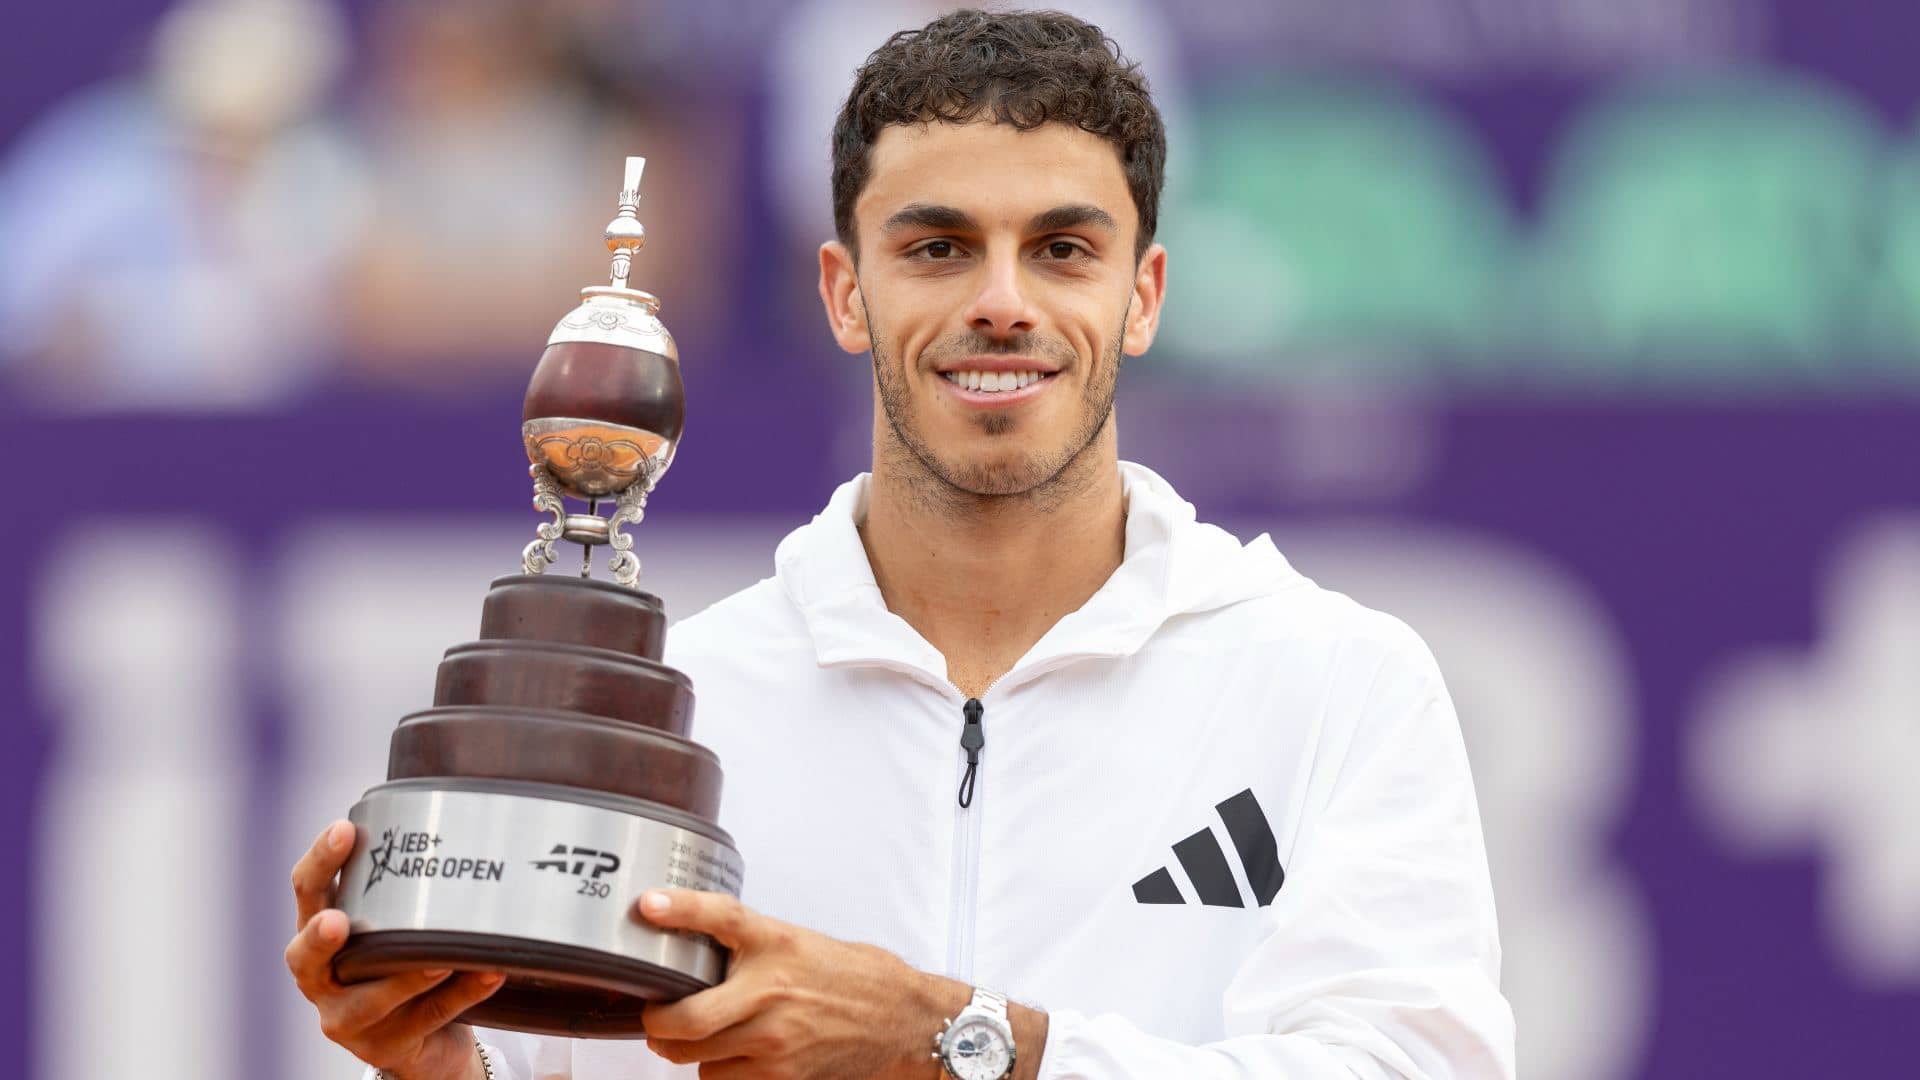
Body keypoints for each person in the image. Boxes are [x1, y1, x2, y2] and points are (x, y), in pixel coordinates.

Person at [285, 10, 1516, 1079]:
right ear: (843, 292)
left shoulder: (1338, 681)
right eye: (937, 247)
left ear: (1141, 298)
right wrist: (443, 1072)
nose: (1001, 299)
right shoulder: (689, 708)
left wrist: (960, 1042)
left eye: (1062, 249)